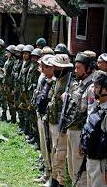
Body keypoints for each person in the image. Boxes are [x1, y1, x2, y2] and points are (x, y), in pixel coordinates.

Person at [64, 52, 96, 187]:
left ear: (88, 68)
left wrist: (85, 139)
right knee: (71, 168)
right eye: (75, 67)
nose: (75, 70)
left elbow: (91, 115)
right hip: (71, 129)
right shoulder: (80, 83)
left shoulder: (92, 87)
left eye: (78, 67)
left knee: (79, 172)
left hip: (80, 133)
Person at [79, 70, 107, 187]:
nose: (94, 90)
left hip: (101, 165)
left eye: (97, 87)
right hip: (91, 160)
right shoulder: (99, 107)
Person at [48, 54, 74, 187]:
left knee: (61, 154)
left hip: (62, 125)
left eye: (56, 67)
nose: (54, 69)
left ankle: (62, 181)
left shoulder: (69, 84)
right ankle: (55, 178)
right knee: (55, 151)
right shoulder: (58, 80)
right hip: (54, 122)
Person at [33, 54, 55, 185]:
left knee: (50, 148)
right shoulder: (44, 78)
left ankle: (52, 176)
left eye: (45, 66)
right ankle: (46, 173)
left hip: (49, 119)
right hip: (41, 116)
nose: (42, 68)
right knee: (44, 148)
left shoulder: (55, 81)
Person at [2, 45, 16, 123]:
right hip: (6, 84)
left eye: (8, 52)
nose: (7, 53)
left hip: (10, 85)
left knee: (11, 102)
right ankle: (5, 116)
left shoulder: (13, 61)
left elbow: (12, 75)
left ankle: (13, 118)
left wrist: (12, 86)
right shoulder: (8, 60)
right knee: (5, 100)